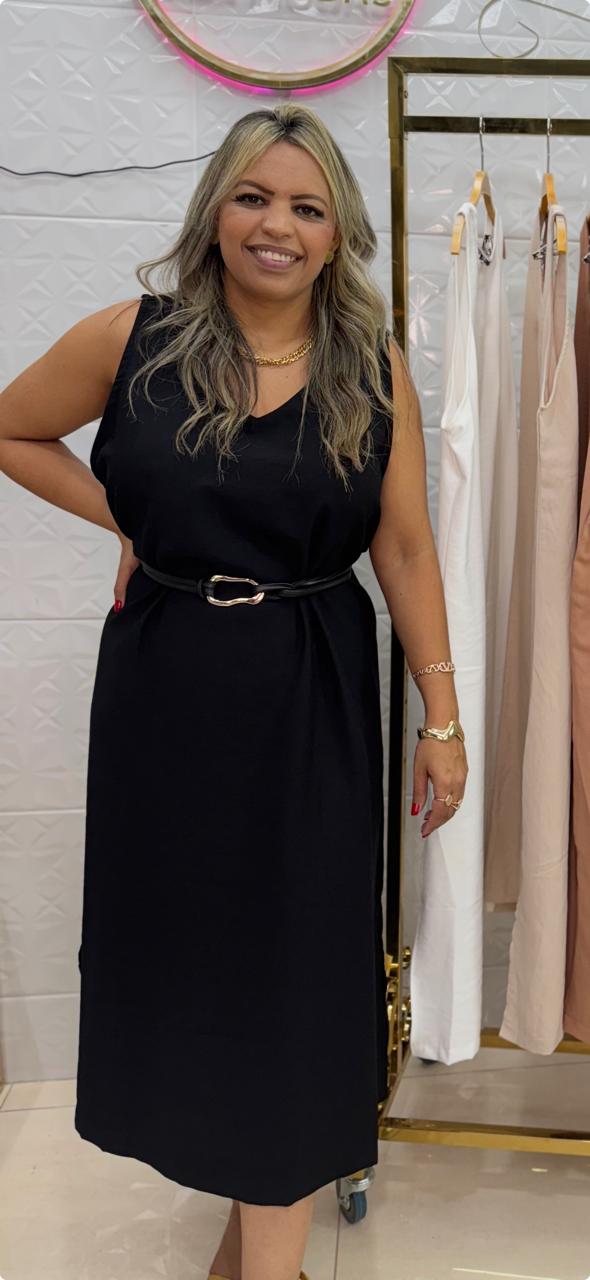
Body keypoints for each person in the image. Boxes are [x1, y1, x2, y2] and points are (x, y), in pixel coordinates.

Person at [0, 103, 467, 1280]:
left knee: (294, 968)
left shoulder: (370, 366)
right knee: (196, 956)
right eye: (253, 197)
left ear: (336, 232)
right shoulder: (133, 338)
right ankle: (249, 1216)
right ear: (215, 208)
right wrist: (130, 521)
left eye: (306, 207)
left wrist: (443, 716)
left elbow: (405, 546)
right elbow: (12, 429)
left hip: (309, 688)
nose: (275, 225)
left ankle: (269, 1262)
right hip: (165, 687)